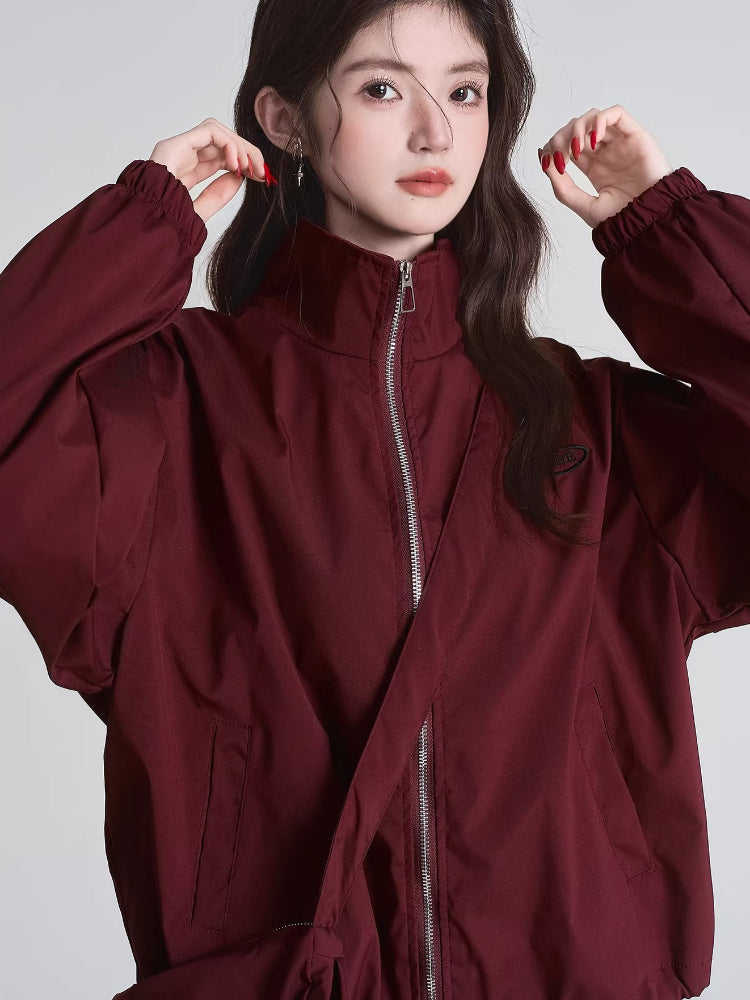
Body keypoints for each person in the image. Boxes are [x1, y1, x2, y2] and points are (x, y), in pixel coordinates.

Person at [1, 1, 748, 998]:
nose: (435, 131)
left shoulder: (597, 432)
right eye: (383, 88)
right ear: (286, 118)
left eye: (466, 91)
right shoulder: (175, 412)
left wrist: (670, 233)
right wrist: (141, 225)